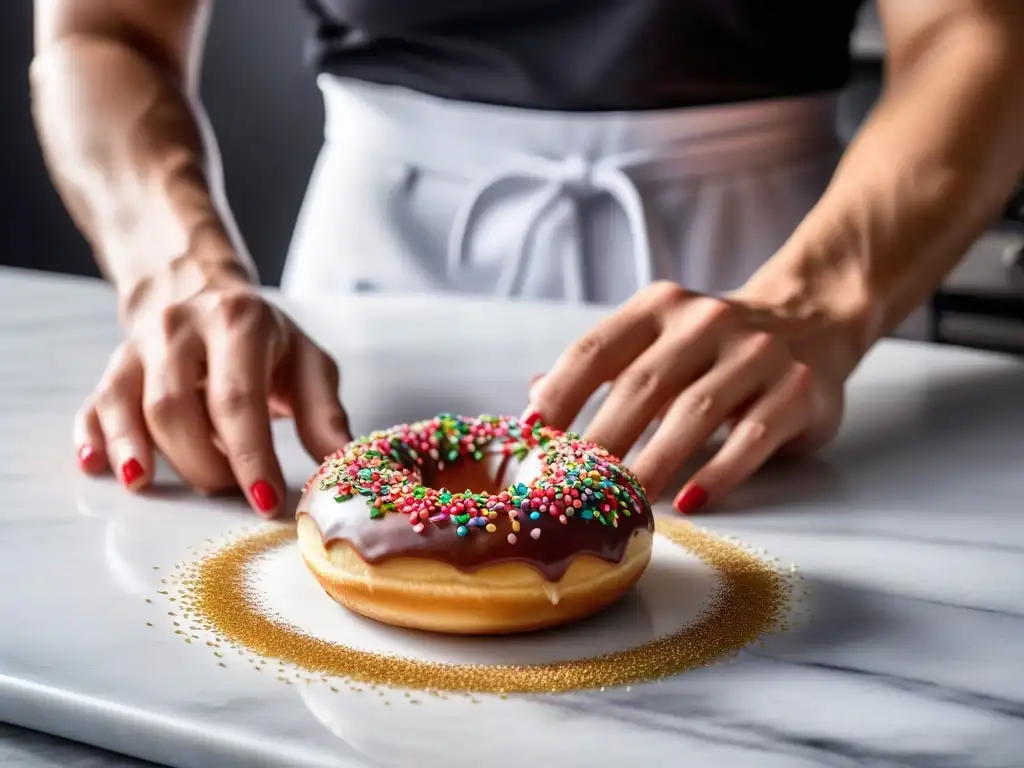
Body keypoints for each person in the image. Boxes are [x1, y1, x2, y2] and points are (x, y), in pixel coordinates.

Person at [31, 0, 1024, 519]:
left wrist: (818, 304)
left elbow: (976, 30)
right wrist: (182, 277)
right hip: (366, 298)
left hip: (764, 296)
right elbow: (100, 33)